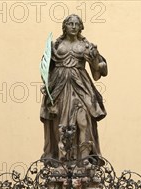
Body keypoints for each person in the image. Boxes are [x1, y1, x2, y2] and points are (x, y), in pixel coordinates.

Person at [40, 14, 108, 163]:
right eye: (70, 23)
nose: (73, 26)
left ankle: (84, 159)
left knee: (83, 122)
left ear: (80, 27)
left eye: (76, 24)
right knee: (61, 125)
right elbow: (47, 69)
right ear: (65, 26)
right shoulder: (57, 46)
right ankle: (62, 160)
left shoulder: (86, 46)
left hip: (81, 87)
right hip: (60, 88)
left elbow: (97, 73)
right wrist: (47, 85)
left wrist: (97, 61)